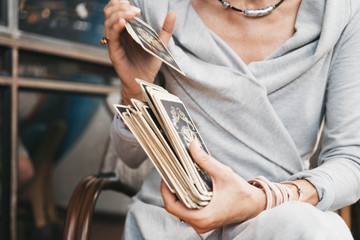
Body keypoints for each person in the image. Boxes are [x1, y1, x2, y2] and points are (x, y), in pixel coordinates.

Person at [105, 0, 360, 239]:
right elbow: (129, 157)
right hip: (174, 221)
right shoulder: (152, 8)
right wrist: (135, 92)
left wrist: (265, 198)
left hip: (281, 220)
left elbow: (351, 159)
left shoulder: (341, 13)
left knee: (310, 228)